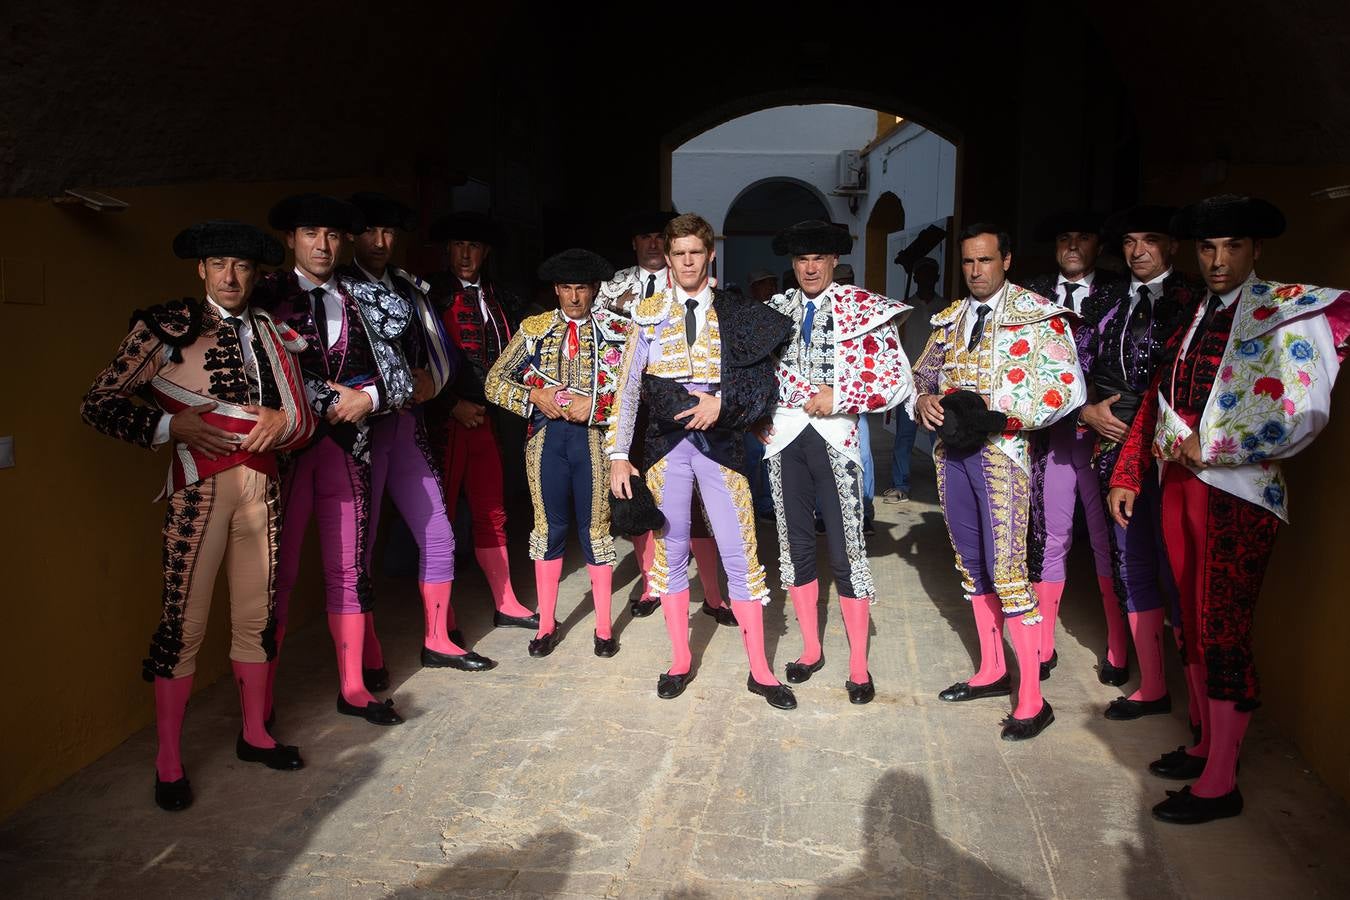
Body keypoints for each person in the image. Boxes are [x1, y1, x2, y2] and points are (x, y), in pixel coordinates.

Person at [1107, 195, 1350, 824]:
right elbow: (1159, 396)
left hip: (1238, 490)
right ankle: (1205, 746)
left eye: (1232, 247)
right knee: (1190, 616)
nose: (1218, 260)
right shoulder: (1196, 311)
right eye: (1208, 248)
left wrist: (1214, 444)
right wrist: (1131, 471)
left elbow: (1304, 409)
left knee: (1222, 625)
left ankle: (1220, 782)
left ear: (1256, 250)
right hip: (1179, 480)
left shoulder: (1288, 310)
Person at [80, 220, 315, 810]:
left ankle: (255, 734)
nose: (230, 277)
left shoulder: (271, 332)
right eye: (219, 265)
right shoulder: (166, 326)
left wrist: (282, 422)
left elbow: (301, 420)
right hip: (198, 492)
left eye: (242, 266)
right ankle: (168, 760)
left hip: (262, 490)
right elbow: (98, 403)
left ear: (256, 274)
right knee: (182, 627)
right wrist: (169, 425)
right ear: (201, 270)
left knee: (256, 619)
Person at [607, 213, 796, 708]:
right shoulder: (647, 313)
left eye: (696, 252)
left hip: (721, 440)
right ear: (668, 259)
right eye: (679, 253)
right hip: (666, 446)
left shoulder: (734, 311)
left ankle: (760, 671)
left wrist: (723, 402)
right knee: (670, 553)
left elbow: (763, 377)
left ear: (710, 255)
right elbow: (628, 389)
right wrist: (618, 454)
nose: (687, 261)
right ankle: (679, 660)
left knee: (741, 552)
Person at [914, 223, 1084, 740]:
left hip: (1003, 455)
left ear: (1006, 260)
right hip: (952, 456)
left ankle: (1032, 698)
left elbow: (1066, 386)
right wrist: (923, 400)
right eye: (968, 261)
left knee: (1009, 572)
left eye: (985, 260)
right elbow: (921, 376)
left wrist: (1001, 417)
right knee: (971, 564)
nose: (975, 271)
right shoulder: (950, 319)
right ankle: (992, 669)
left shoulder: (1038, 315)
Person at [255, 193, 409, 727]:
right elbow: (253, 372)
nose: (322, 245)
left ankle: (353, 687)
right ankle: (260, 701)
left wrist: (369, 398)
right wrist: (324, 397)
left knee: (348, 569)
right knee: (278, 574)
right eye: (310, 234)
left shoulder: (365, 295)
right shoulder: (263, 294)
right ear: (290, 239)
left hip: (349, 453)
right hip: (287, 455)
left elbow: (401, 376)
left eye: (333, 235)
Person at [340, 192, 495, 675]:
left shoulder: (410, 288)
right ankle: (366, 650)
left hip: (406, 426)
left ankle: (437, 639)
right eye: (370, 231)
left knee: (440, 534)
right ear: (352, 236)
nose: (380, 241)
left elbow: (439, 351)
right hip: (359, 434)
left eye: (388, 232)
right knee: (359, 547)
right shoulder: (338, 289)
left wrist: (434, 382)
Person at [761, 221, 914, 704]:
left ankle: (858, 664)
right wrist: (754, 416)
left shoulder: (862, 308)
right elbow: (747, 370)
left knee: (848, 549)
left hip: (836, 438)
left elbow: (897, 379)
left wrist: (841, 394)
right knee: (795, 546)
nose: (809, 268)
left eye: (818, 259)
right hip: (784, 439)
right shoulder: (775, 310)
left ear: (834, 262)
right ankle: (811, 649)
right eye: (801, 259)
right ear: (793, 264)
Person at [1082, 205, 1200, 718]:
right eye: (1130, 241)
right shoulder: (1105, 299)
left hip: (1175, 452)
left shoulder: (1195, 299)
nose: (1138, 251)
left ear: (1172, 246)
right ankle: (1153, 686)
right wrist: (1084, 411)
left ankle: (1201, 708)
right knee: (1130, 562)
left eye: (1150, 239)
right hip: (1113, 447)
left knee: (1181, 571)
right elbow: (1073, 365)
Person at [486, 248, 632, 657]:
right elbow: (495, 382)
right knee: (548, 528)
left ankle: (603, 628)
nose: (573, 297)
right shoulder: (534, 329)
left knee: (596, 530)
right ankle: (546, 625)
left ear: (595, 289)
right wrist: (534, 396)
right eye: (566, 288)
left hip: (593, 442)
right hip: (547, 439)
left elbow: (634, 391)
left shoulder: (618, 330)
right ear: (555, 289)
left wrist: (595, 405)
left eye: (581, 288)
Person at [600, 210, 731, 623]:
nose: (655, 244)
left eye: (661, 237)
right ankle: (652, 583)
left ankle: (712, 593)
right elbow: (609, 359)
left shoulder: (710, 294)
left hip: (693, 409)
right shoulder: (610, 289)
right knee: (643, 499)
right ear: (635, 243)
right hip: (639, 412)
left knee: (699, 506)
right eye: (647, 236)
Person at [425, 211, 538, 629]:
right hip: (446, 420)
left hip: (489, 421)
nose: (465, 254)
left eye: (473, 246)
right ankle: (442, 617)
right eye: (458, 245)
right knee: (438, 517)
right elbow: (416, 362)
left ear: (485, 252)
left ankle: (505, 601)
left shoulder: (502, 298)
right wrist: (449, 404)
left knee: (492, 510)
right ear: (447, 249)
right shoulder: (429, 296)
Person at [1023, 211, 1123, 681]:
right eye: (1065, 237)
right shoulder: (1032, 295)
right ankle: (1043, 645)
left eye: (1084, 237)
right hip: (1054, 435)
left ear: (1098, 245)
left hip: (1105, 438)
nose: (1073, 246)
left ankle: (1118, 645)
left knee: (1108, 540)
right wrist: (1079, 410)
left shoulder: (1121, 294)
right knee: (1050, 536)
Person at [884, 256, 940, 504]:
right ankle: (900, 485)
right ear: (915, 278)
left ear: (937, 277)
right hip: (909, 381)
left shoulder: (947, 307)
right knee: (904, 437)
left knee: (939, 438)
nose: (925, 279)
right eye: (921, 274)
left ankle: (944, 486)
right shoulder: (905, 308)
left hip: (937, 383)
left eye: (930, 274)